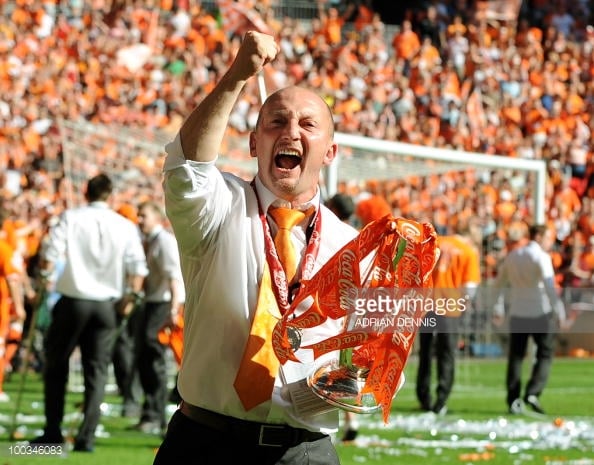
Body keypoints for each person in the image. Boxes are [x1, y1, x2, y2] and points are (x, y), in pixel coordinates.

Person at [154, 31, 360, 464]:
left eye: (307, 124)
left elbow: (370, 367)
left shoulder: (351, 246)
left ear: (330, 152)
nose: (291, 131)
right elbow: (187, 165)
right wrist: (238, 75)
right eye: (276, 122)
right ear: (253, 143)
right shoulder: (219, 207)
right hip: (204, 443)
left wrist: (343, 384)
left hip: (306, 452)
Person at [30, 173, 148, 452]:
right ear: (110, 196)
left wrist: (44, 280)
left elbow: (51, 251)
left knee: (56, 365)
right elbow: (138, 268)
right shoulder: (124, 225)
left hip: (74, 300)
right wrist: (130, 297)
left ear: (87, 193)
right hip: (106, 304)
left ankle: (53, 432)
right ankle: (87, 437)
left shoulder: (72, 217)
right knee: (96, 371)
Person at [492, 224, 571, 414]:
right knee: (545, 353)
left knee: (516, 357)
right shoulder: (541, 257)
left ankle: (513, 399)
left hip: (518, 313)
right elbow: (550, 287)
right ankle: (533, 392)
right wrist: (560, 312)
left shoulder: (513, 256)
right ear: (540, 236)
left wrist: (498, 306)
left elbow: (498, 284)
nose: (550, 241)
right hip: (539, 313)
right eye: (549, 237)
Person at [129, 200, 184, 434]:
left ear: (157, 219)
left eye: (144, 216)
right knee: (145, 359)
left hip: (161, 305)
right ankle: (150, 413)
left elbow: (175, 277)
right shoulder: (149, 241)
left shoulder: (164, 241)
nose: (139, 220)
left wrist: (173, 309)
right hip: (152, 303)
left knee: (154, 360)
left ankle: (156, 415)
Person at [416, 231, 481, 415]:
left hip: (427, 305)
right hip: (450, 307)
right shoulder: (468, 251)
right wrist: (467, 302)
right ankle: (441, 400)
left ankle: (424, 397)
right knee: (447, 353)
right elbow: (470, 286)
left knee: (426, 352)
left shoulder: (435, 242)